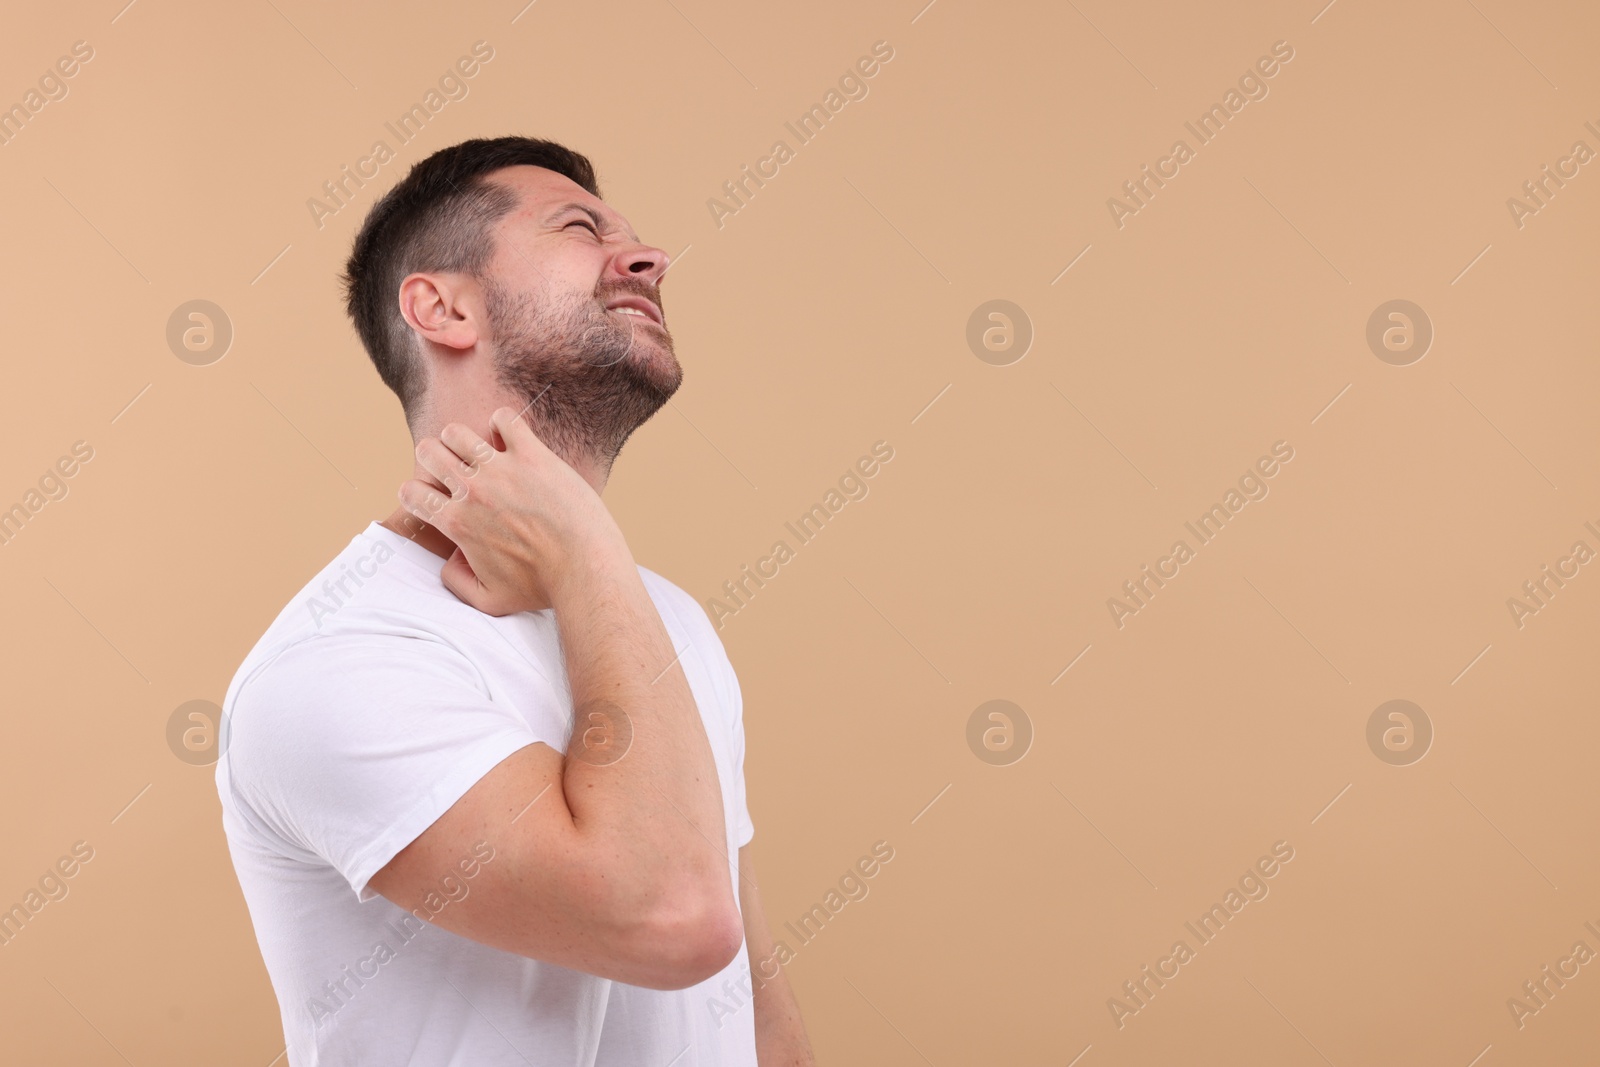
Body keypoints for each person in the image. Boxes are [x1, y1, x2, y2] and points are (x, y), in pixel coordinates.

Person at [215, 136, 814, 1066]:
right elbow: (675, 921)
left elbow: (752, 1011)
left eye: (635, 236)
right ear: (443, 305)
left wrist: (591, 564)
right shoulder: (339, 662)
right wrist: (584, 555)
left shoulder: (666, 621)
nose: (649, 258)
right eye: (581, 228)